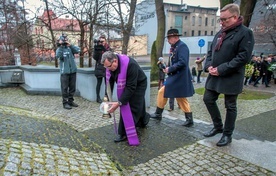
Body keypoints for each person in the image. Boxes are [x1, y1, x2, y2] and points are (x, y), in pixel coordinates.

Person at [203, 3, 255, 147]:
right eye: (221, 19)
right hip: (214, 74)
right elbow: (210, 52)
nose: (222, 22)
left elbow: (243, 57)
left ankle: (227, 134)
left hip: (231, 75)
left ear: (235, 17)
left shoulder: (245, 33)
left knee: (230, 106)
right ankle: (218, 125)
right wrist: (208, 66)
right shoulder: (220, 33)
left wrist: (221, 69)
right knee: (208, 99)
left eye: (225, 19)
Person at [101, 51, 150, 145]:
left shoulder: (131, 65)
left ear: (115, 61)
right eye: (105, 67)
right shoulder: (109, 67)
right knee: (138, 103)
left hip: (139, 84)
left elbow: (131, 88)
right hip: (128, 84)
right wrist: (107, 97)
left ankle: (122, 133)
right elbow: (108, 83)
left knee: (131, 106)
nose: (108, 69)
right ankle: (144, 119)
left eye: (109, 66)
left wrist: (119, 103)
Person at [150, 28, 195, 127]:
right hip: (176, 76)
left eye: (169, 38)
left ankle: (159, 113)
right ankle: (188, 119)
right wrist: (166, 68)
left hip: (180, 77)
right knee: (176, 96)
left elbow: (183, 62)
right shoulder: (175, 47)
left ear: (175, 37)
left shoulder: (182, 46)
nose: (168, 40)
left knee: (172, 94)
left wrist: (170, 69)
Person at [56, 34, 80, 109]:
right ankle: (65, 102)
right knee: (65, 88)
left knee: (72, 87)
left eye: (65, 40)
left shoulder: (70, 48)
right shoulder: (60, 49)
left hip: (73, 71)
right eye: (63, 40)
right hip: (64, 72)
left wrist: (70, 45)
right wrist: (60, 46)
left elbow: (78, 50)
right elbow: (58, 56)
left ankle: (70, 101)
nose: (64, 42)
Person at [93, 35, 111, 103]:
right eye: (100, 41)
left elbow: (110, 56)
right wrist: (96, 50)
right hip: (99, 67)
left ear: (105, 41)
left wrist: (103, 48)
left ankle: (106, 97)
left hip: (107, 68)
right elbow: (95, 57)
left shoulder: (108, 47)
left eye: (103, 41)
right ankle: (98, 97)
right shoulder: (98, 48)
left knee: (107, 84)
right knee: (99, 83)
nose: (102, 42)